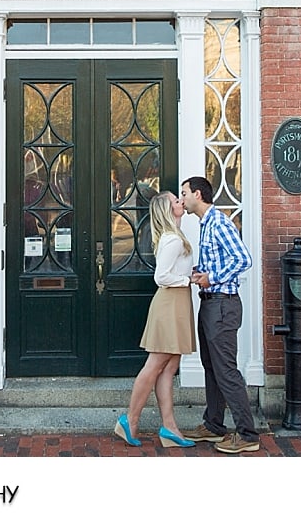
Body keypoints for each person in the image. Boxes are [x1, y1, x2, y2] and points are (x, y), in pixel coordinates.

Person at [178, 175, 259, 454]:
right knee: (211, 366)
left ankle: (247, 434)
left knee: (226, 370)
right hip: (210, 303)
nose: (182, 198)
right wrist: (200, 273)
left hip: (223, 305)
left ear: (198, 194)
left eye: (185, 193)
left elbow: (243, 259)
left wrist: (211, 278)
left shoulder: (220, 222)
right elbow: (218, 260)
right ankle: (214, 425)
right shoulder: (206, 224)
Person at [114, 192, 197, 448]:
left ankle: (169, 427)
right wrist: (188, 280)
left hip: (178, 303)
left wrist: (187, 275)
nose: (180, 202)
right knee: (155, 366)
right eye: (175, 201)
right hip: (170, 303)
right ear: (167, 210)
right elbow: (161, 277)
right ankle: (130, 420)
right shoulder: (172, 240)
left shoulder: (174, 235)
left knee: (169, 368)